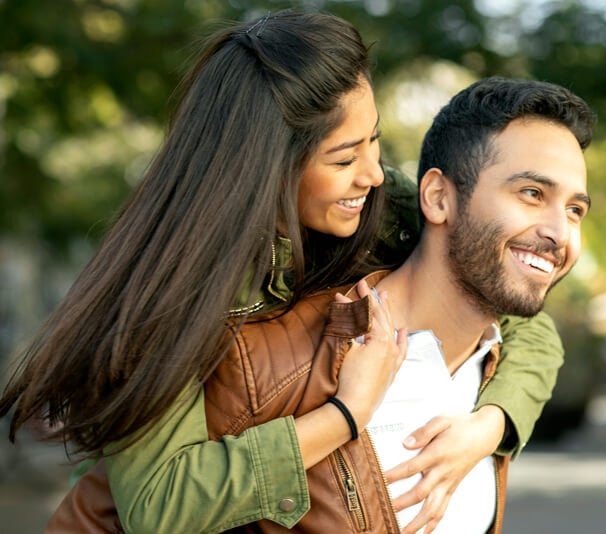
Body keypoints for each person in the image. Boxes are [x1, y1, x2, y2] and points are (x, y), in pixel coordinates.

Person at [0, 10, 567, 534]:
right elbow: (159, 503)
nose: (372, 172)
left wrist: (487, 428)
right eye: (343, 159)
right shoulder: (169, 289)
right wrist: (345, 414)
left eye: (374, 139)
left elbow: (517, 311)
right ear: (265, 167)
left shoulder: (381, 204)